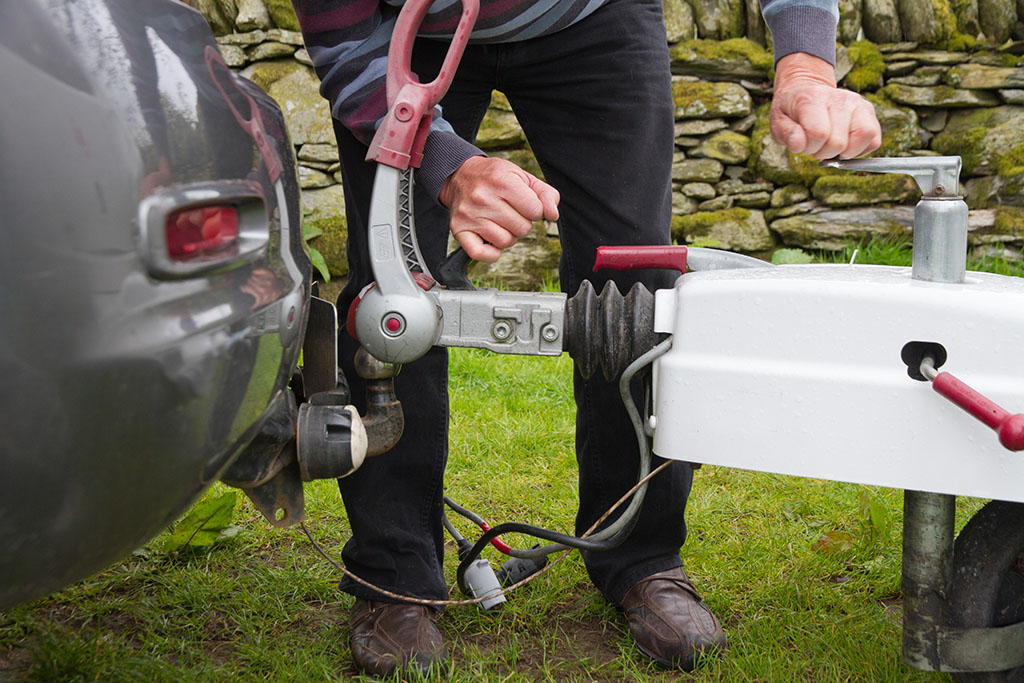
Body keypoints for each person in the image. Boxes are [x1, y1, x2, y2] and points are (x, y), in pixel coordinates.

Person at [289, 0, 881, 676]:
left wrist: (804, 63)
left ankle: (640, 556)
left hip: (593, 19)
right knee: (389, 298)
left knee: (639, 287)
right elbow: (342, 39)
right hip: (404, 34)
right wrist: (446, 163)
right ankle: (394, 574)